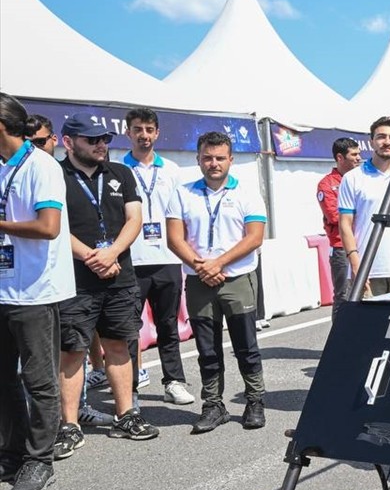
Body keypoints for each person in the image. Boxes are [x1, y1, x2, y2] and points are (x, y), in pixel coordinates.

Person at [55, 114, 159, 456]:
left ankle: (126, 414)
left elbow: (135, 219)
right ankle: (68, 425)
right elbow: (54, 225)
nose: (101, 145)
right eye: (92, 140)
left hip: (119, 276)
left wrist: (111, 252)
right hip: (76, 280)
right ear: (68, 142)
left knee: (118, 345)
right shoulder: (55, 175)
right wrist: (91, 257)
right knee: (72, 351)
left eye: (104, 139)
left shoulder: (121, 173)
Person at [165, 131, 268, 433]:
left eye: (219, 158)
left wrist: (219, 263)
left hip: (237, 278)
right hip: (199, 281)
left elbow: (254, 237)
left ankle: (255, 400)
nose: (213, 163)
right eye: (207, 158)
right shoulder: (182, 192)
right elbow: (174, 238)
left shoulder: (247, 192)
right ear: (198, 159)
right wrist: (203, 266)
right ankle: (213, 404)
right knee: (207, 349)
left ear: (230, 160)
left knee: (246, 345)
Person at [0, 95, 74, 490]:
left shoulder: (41, 166)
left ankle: (39, 459)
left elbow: (48, 226)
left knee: (38, 379)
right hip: (2, 287)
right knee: (2, 380)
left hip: (34, 290)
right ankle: (11, 452)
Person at [28, 114, 112, 427]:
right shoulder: (23, 174)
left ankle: (78, 410)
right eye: (32, 142)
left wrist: (100, 256)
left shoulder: (58, 173)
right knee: (41, 360)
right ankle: (50, 423)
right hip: (30, 284)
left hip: (68, 280)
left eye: (42, 141)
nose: (37, 148)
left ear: (55, 141)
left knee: (73, 348)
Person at [121, 108, 193, 406]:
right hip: (131, 260)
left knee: (168, 325)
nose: (144, 135)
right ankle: (131, 389)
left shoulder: (173, 170)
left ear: (157, 133)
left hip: (167, 259)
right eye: (138, 129)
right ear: (128, 132)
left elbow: (183, 216)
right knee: (128, 328)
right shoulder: (117, 169)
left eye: (149, 129)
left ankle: (173, 382)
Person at [337, 117, 390, 297]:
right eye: (381, 137)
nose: (387, 142)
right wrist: (355, 262)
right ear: (372, 141)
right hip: (368, 271)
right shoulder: (352, 178)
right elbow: (345, 224)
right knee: (366, 325)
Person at [316, 137, 361, 316]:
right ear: (340, 158)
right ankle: (339, 341)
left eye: (359, 154)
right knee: (344, 295)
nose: (359, 158)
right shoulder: (327, 184)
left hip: (364, 243)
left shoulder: (363, 179)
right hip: (341, 247)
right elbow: (336, 216)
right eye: (354, 155)